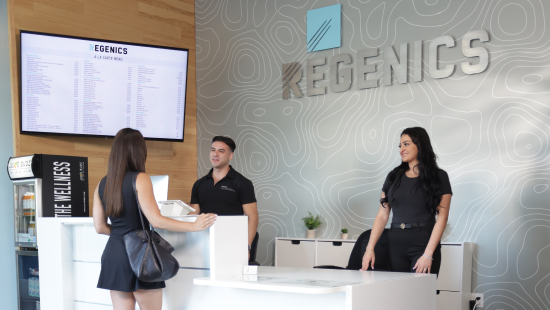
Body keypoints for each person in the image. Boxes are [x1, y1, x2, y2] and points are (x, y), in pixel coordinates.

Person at [93, 128, 217, 310]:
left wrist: (122, 232)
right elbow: (156, 220)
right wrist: (194, 226)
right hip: (140, 255)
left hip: (114, 256)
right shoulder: (140, 178)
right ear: (138, 151)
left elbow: (100, 227)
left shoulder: (102, 183)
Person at [361, 127, 452, 275]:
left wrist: (428, 254)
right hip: (395, 242)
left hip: (423, 243)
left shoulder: (439, 176)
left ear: (420, 145)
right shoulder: (393, 177)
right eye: (400, 145)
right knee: (399, 294)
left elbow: (442, 216)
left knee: (419, 294)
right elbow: (382, 215)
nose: (401, 149)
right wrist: (369, 249)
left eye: (406, 144)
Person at [189, 136, 259, 260]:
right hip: (203, 242)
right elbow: (193, 215)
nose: (215, 154)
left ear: (230, 156)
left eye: (221, 151)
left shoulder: (243, 183)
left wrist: (246, 246)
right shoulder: (199, 184)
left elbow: (252, 217)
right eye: (213, 150)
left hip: (231, 242)